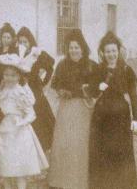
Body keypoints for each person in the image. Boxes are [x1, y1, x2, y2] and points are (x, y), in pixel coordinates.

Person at [0, 47, 49, 189]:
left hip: (19, 131)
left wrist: (21, 121)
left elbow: (31, 114)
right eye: (6, 75)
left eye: (13, 75)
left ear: (19, 77)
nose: (9, 78)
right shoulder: (4, 90)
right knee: (7, 166)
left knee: (20, 168)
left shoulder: (20, 92)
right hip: (5, 129)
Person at [88, 32, 137, 189]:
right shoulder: (98, 69)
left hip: (120, 118)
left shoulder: (126, 69)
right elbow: (92, 93)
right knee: (101, 155)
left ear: (118, 51)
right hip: (101, 119)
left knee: (120, 155)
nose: (111, 54)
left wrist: (136, 118)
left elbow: (133, 95)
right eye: (108, 51)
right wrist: (97, 86)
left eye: (114, 51)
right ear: (103, 52)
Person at [48, 29, 97, 189]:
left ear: (82, 48)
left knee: (81, 144)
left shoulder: (91, 65)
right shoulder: (62, 65)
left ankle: (80, 182)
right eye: (71, 47)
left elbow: (97, 87)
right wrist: (61, 91)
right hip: (67, 110)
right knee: (65, 144)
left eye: (76, 47)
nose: (74, 50)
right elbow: (54, 84)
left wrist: (87, 90)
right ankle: (63, 181)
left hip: (84, 109)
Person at [17, 26, 55, 151]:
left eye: (25, 42)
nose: (23, 44)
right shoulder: (17, 55)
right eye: (20, 42)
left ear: (30, 41)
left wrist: (44, 82)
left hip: (35, 89)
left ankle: (41, 148)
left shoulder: (37, 53)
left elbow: (51, 65)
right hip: (21, 90)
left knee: (39, 119)